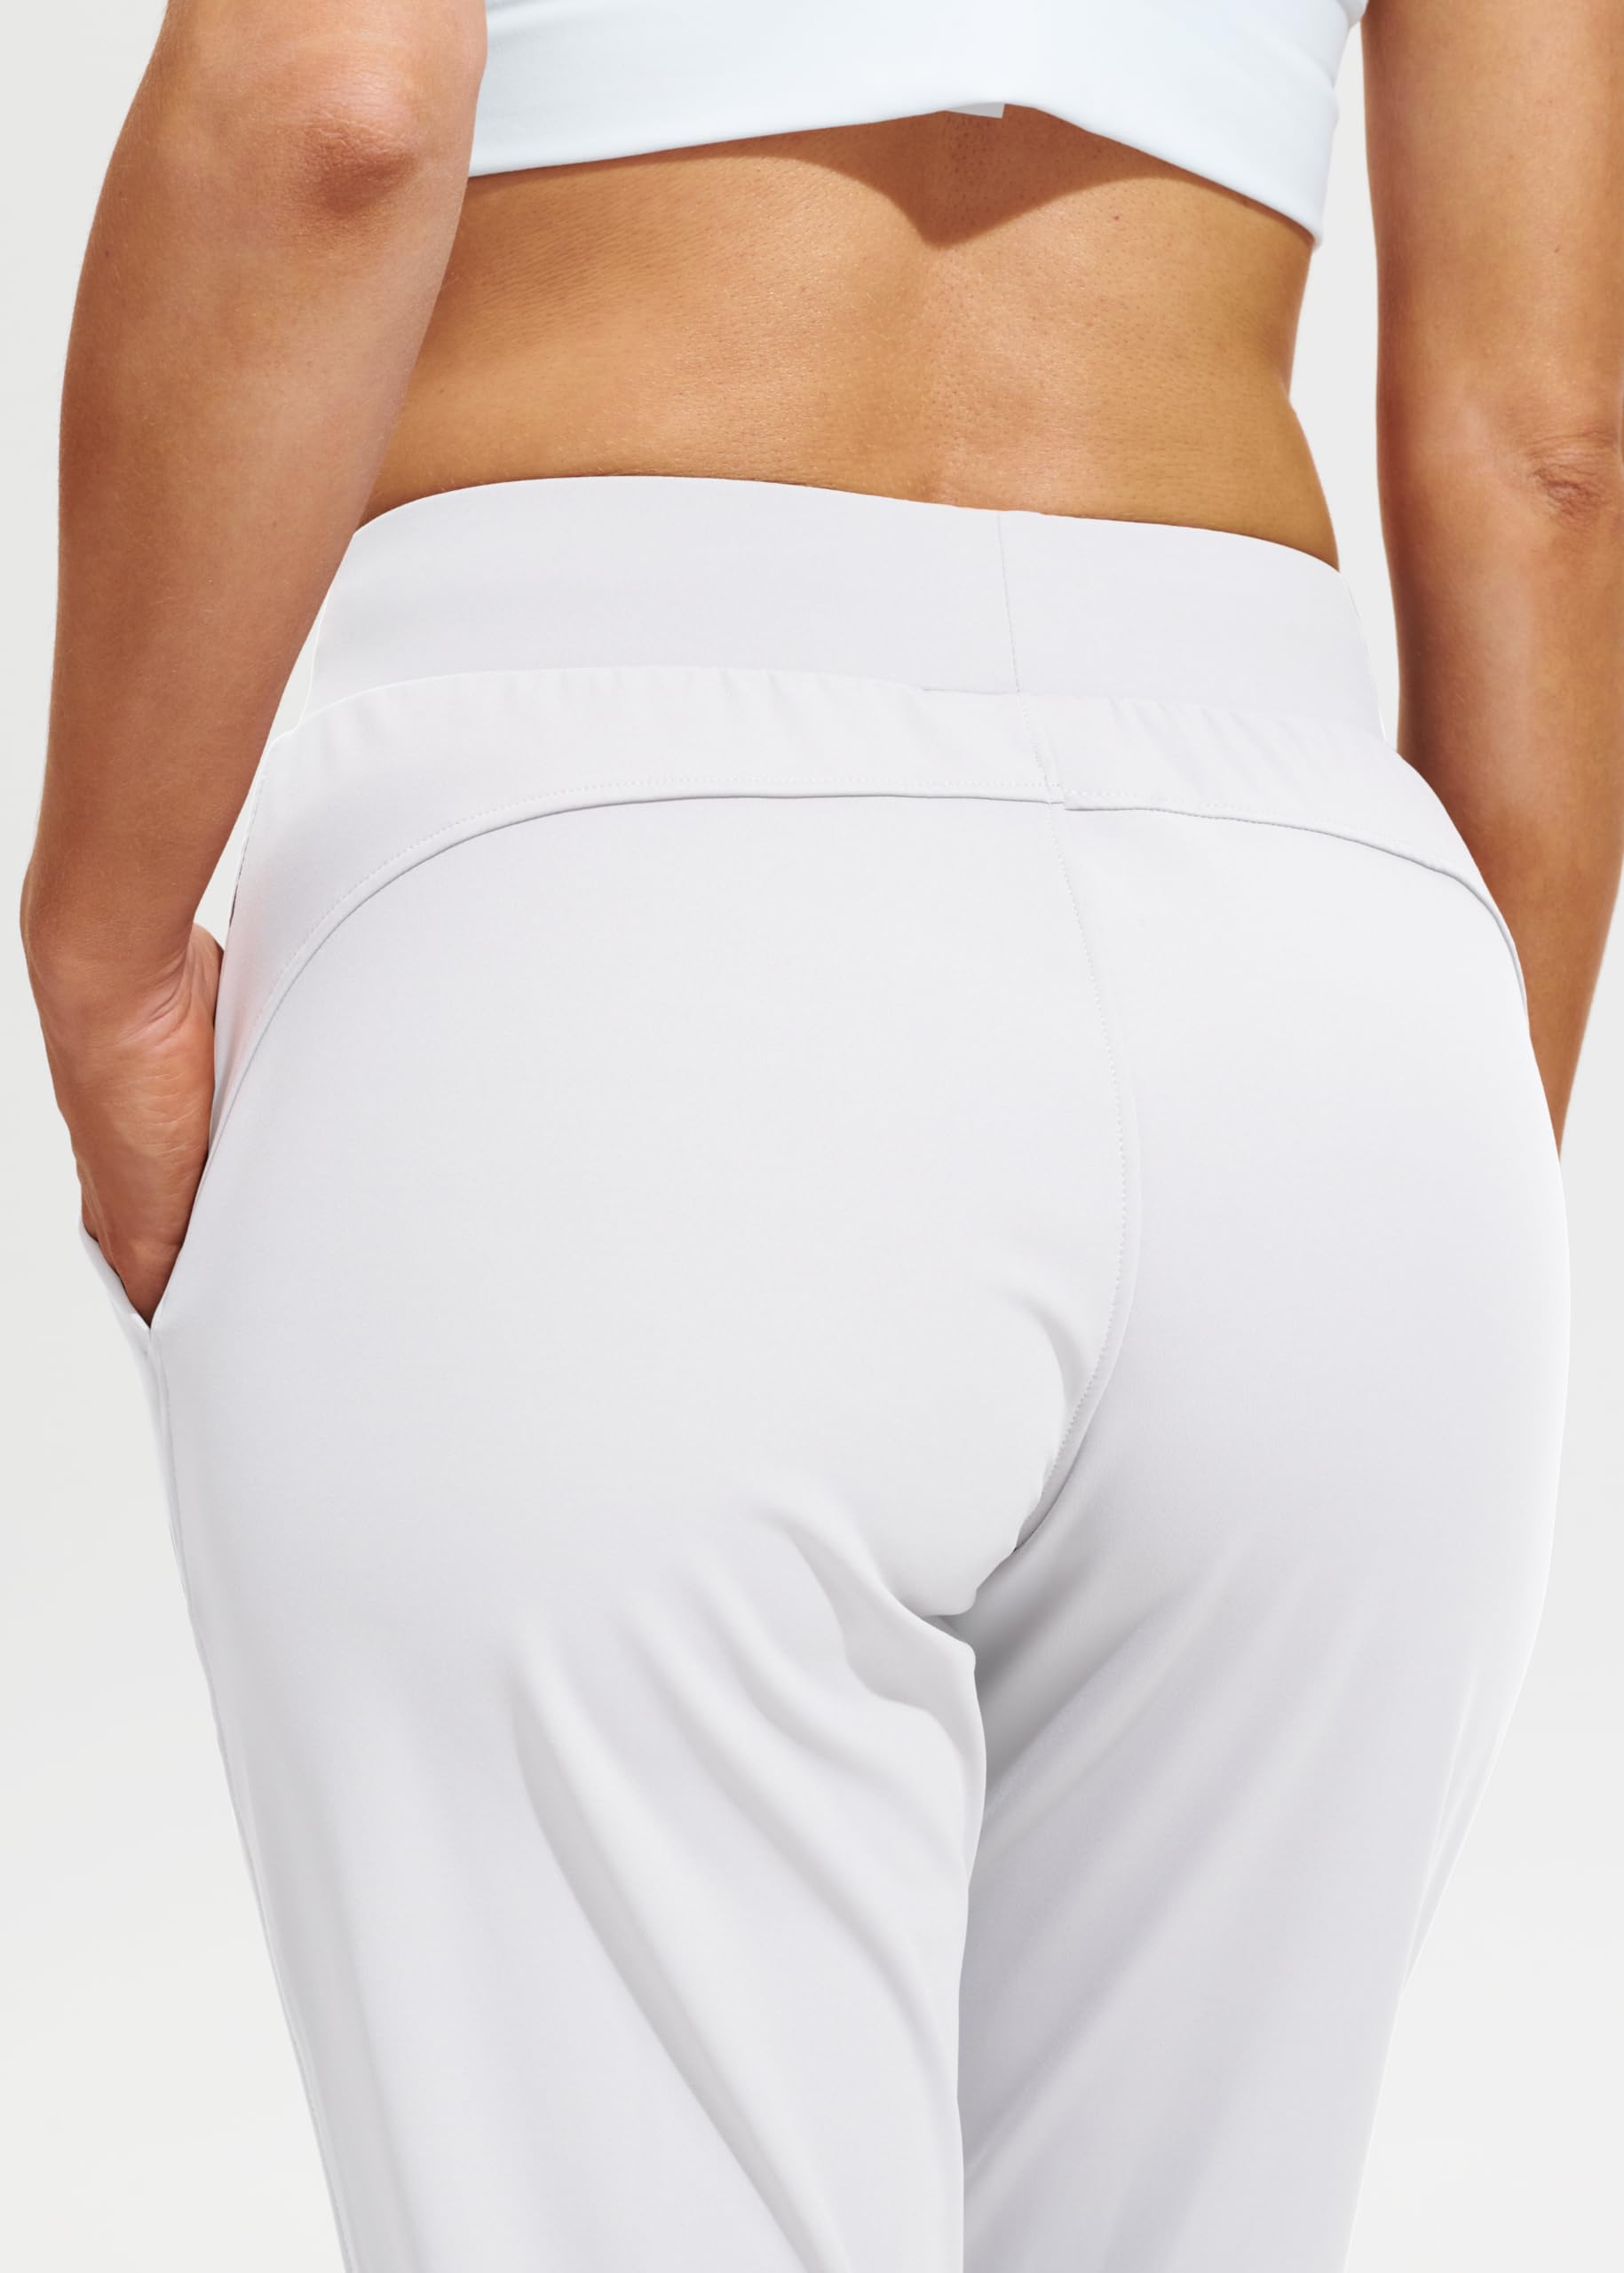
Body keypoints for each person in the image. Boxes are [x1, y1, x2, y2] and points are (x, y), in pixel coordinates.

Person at [20, 1, 1620, 2266]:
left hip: (601, 892)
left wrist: (101, 946)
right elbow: (1553, 452)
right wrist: (1430, 1189)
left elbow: (338, 112)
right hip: (1324, 944)